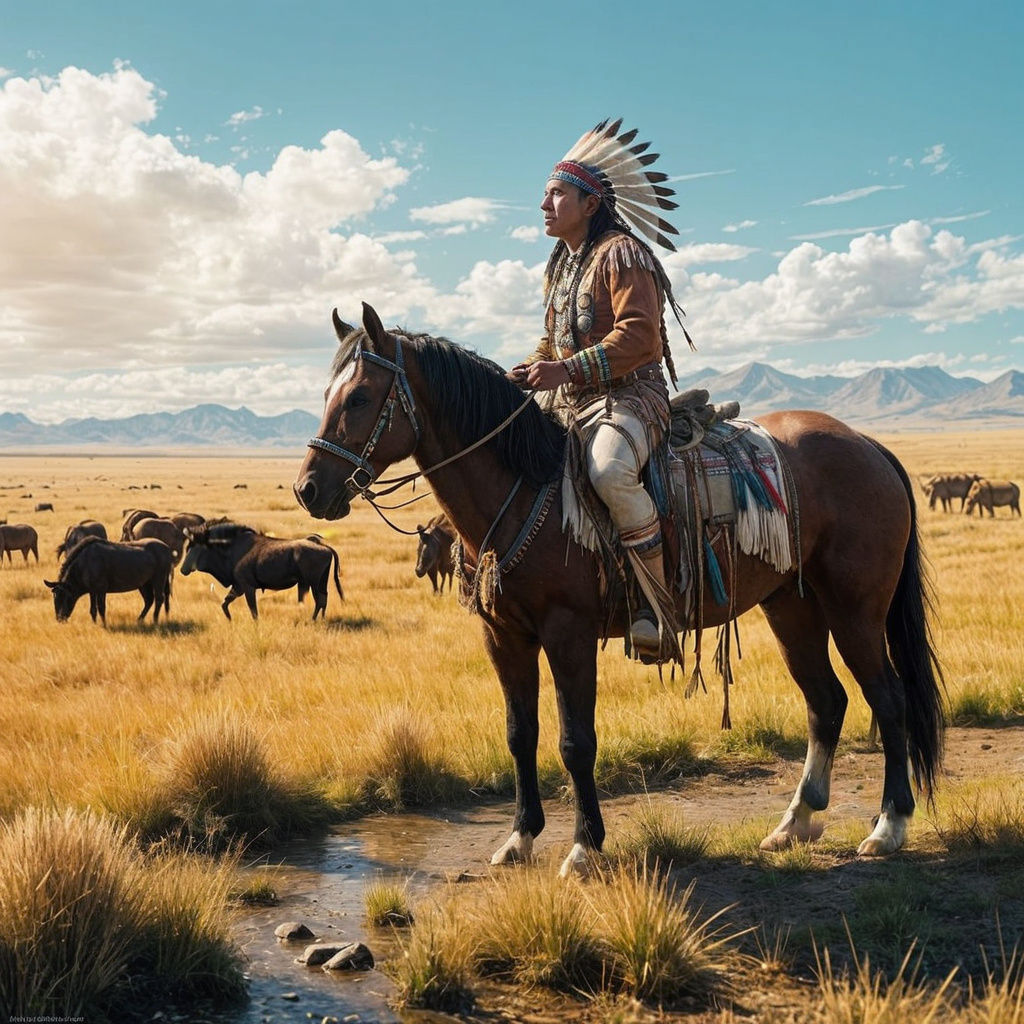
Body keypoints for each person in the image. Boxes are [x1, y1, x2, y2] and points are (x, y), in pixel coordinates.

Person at [508, 119, 691, 660]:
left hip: (632, 398)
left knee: (609, 471)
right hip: (575, 404)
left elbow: (640, 337)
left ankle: (659, 607)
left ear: (590, 204)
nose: (544, 203)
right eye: (545, 193)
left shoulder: (621, 254)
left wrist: (567, 370)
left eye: (557, 193)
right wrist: (525, 370)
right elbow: (552, 342)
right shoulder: (563, 268)